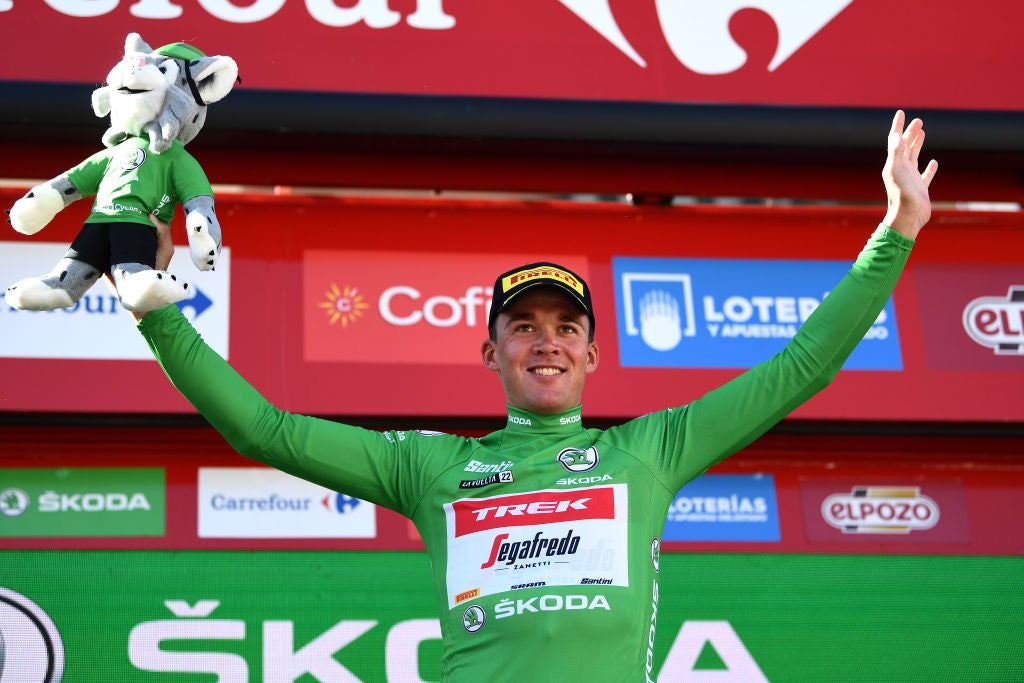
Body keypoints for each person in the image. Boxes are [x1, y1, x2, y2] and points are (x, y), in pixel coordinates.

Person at [128, 110, 937, 681]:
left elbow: (802, 365)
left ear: (591, 350)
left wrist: (896, 228)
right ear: (492, 352)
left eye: (564, 325)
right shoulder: (432, 467)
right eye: (523, 326)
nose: (545, 339)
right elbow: (265, 430)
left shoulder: (647, 452)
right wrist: (161, 317)